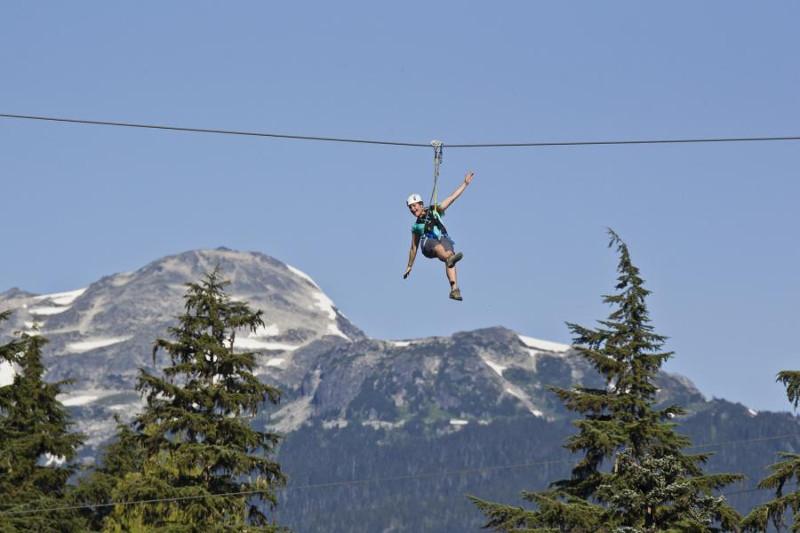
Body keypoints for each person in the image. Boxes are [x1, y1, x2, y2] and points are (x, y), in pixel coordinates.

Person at [403, 171, 474, 301]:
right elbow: (414, 247)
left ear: (421, 204)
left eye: (414, 206)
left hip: (442, 237)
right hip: (428, 243)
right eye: (410, 208)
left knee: (450, 254)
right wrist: (409, 265)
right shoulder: (416, 227)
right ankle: (449, 258)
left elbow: (451, 198)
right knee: (438, 247)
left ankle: (454, 290)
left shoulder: (435, 210)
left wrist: (465, 184)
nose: (413, 210)